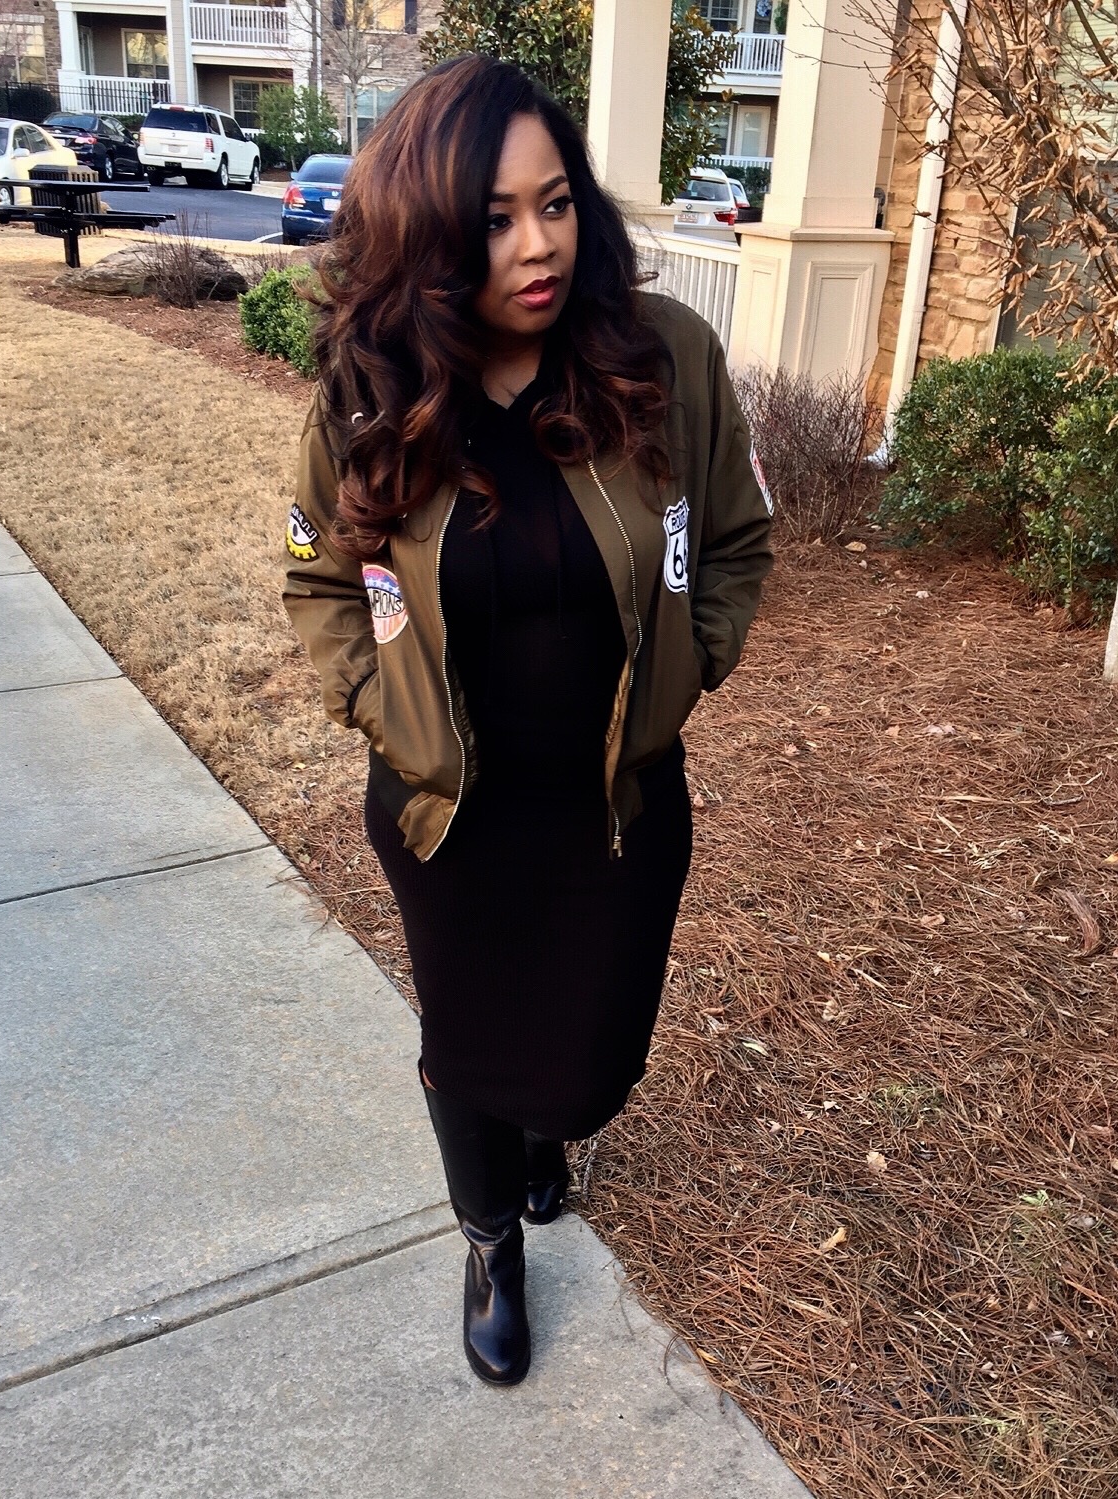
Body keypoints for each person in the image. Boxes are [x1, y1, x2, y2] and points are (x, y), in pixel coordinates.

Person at [282, 53, 774, 1388]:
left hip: (617, 806)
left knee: (589, 1052)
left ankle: (549, 1134)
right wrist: (376, 708)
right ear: (430, 239)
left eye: (554, 204)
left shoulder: (661, 359)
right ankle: (490, 1240)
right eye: (494, 220)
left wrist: (693, 664)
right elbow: (319, 576)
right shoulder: (375, 386)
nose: (539, 245)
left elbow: (732, 541)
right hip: (452, 816)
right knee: (469, 1042)